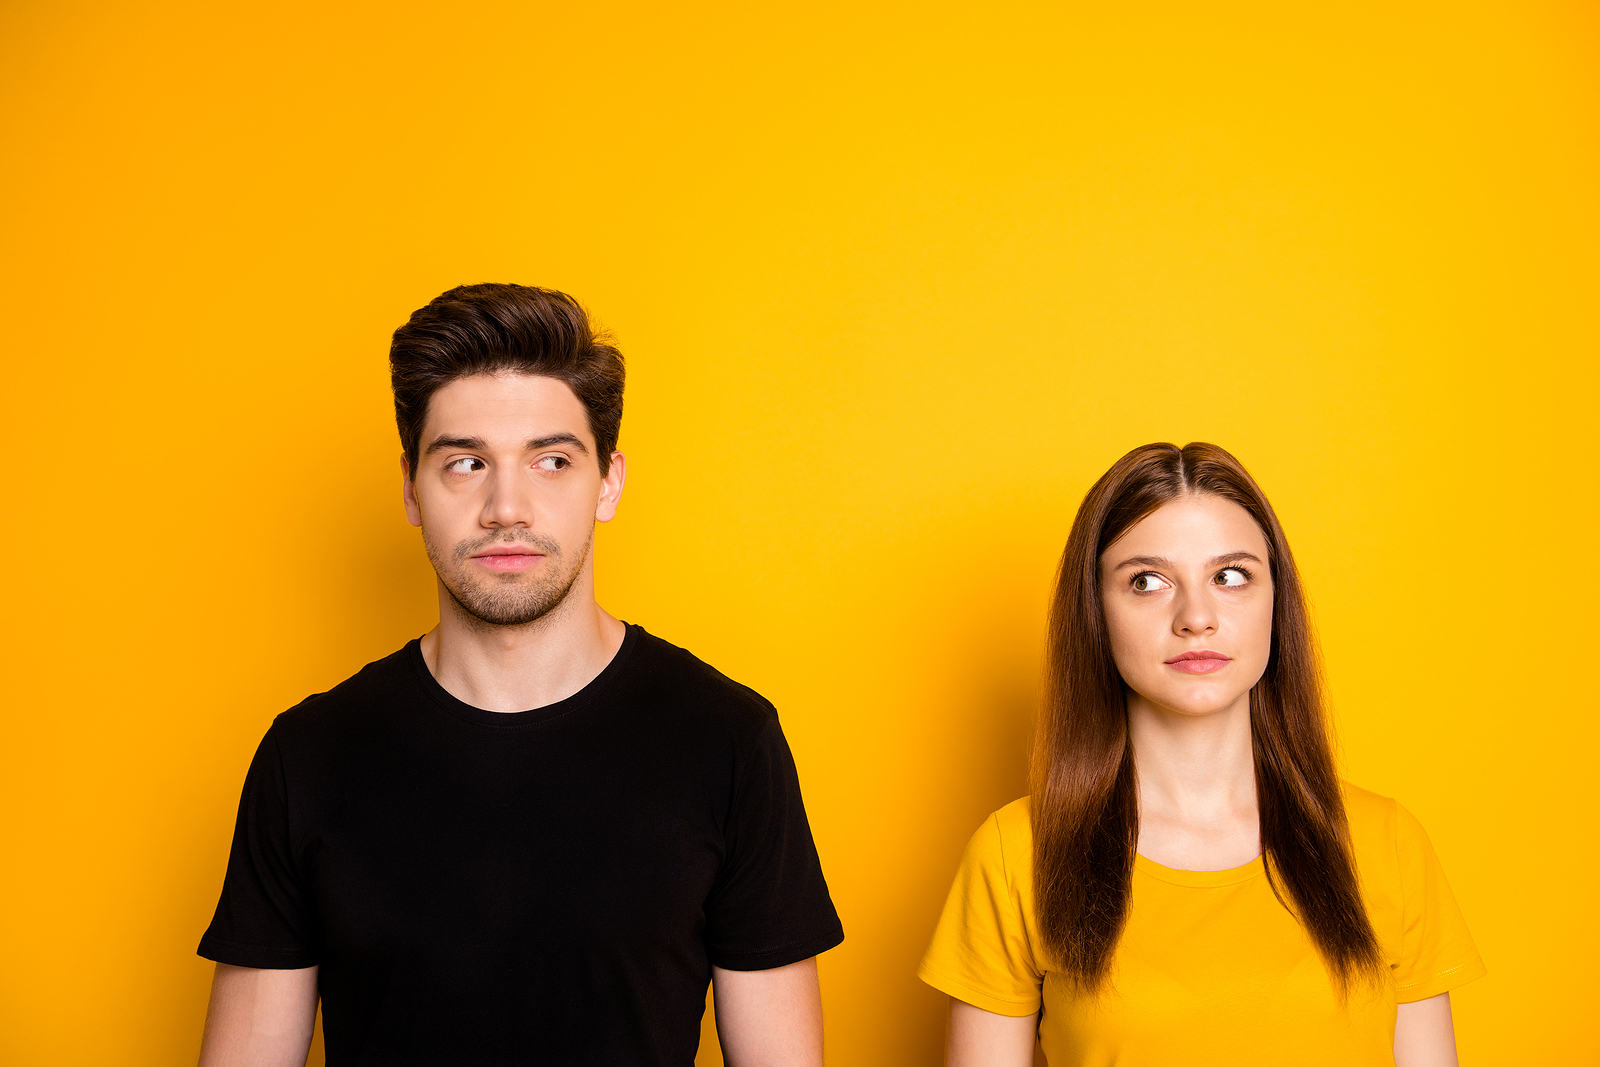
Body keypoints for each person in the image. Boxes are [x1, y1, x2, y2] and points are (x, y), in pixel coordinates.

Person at [196, 284, 843, 1067]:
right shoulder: (309, 754)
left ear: (608, 481)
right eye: (466, 462)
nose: (508, 506)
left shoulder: (729, 742)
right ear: (411, 487)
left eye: (551, 461)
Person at [918, 442, 1484, 1067]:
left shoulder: (1388, 844)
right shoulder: (1014, 855)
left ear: (1277, 602)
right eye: (1148, 581)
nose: (1196, 616)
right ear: (1095, 613)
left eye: (1231, 576)